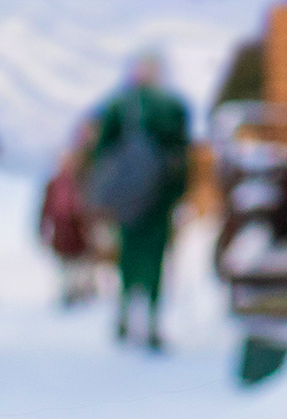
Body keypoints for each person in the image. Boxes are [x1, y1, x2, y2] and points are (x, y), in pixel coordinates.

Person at [86, 52, 191, 351]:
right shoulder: (172, 107)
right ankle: (153, 322)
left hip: (127, 198)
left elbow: (101, 153)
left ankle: (124, 315)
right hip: (159, 196)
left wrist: (103, 192)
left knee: (128, 255)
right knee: (156, 258)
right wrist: (180, 193)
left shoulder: (119, 106)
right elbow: (183, 156)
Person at [37, 124, 99, 310]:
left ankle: (82, 290)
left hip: (79, 227)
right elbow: (45, 208)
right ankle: (69, 292)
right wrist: (42, 228)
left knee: (81, 262)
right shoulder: (53, 183)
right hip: (62, 228)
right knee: (66, 263)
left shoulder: (83, 179)